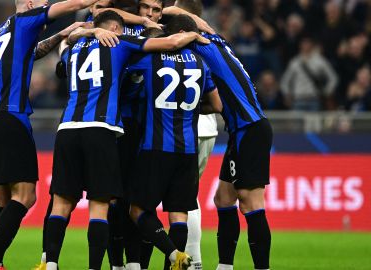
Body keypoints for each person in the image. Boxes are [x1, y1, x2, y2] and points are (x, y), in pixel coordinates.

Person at [43, 10, 209, 270]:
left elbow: (65, 43)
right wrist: (194, 34)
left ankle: (49, 264)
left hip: (66, 129)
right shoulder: (119, 43)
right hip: (101, 128)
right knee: (99, 205)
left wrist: (85, 31)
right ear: (115, 29)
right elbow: (170, 43)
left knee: (61, 203)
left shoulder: (73, 51)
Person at [0, 0, 102, 269]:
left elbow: (31, 53)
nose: (48, 6)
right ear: (31, 4)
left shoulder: (0, 31)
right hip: (11, 116)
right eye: (45, 2)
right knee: (25, 196)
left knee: (0, 198)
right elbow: (77, 3)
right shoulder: (26, 19)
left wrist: (61, 35)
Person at [172, 17, 274, 270]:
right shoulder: (215, 41)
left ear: (186, 34)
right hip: (241, 130)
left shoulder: (197, 45)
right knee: (223, 199)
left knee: (251, 203)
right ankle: (225, 266)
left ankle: (263, 267)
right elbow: (192, 17)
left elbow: (179, 31)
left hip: (249, 130)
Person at [126, 15, 222, 270]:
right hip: (187, 149)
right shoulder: (201, 64)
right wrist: (190, 111)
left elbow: (127, 79)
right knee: (179, 214)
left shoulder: (152, 59)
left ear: (175, 35)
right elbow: (217, 105)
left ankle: (173, 255)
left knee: (137, 211)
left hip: (155, 147)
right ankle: (176, 264)